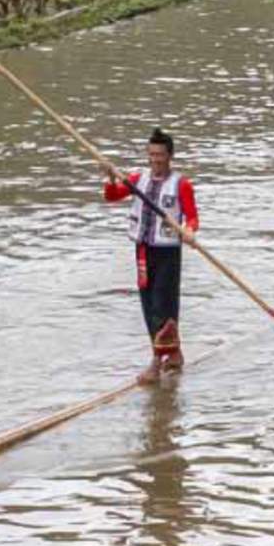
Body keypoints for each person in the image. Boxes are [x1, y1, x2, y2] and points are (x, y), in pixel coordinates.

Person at [104, 128, 198, 384]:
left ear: (170, 156)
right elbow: (112, 196)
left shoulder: (181, 184)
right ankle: (174, 354)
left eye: (160, 155)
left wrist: (189, 232)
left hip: (167, 251)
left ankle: (156, 364)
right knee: (147, 304)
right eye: (152, 155)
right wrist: (111, 178)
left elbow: (192, 217)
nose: (155, 160)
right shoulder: (138, 179)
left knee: (162, 305)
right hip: (143, 251)